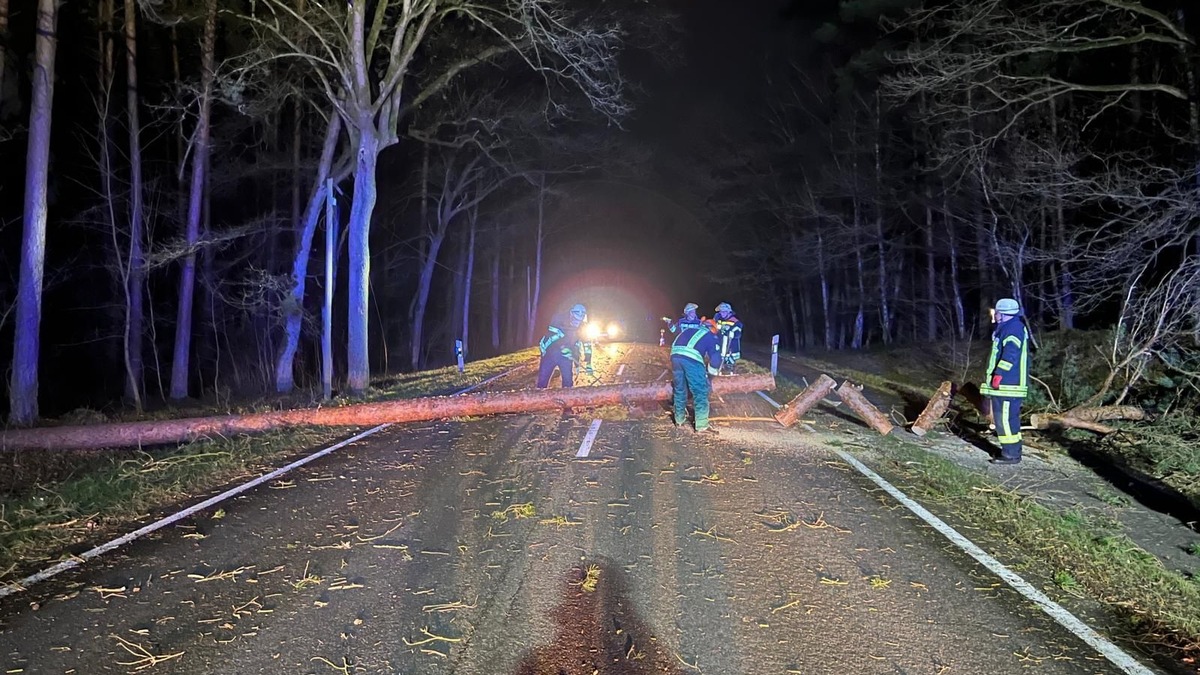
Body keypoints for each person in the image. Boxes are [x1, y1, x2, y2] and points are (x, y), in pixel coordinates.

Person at [981, 297, 1030, 464]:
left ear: (1002, 313)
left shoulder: (1013, 328)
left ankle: (1011, 454)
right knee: (1006, 419)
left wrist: (999, 374)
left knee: (1005, 420)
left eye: (997, 312)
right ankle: (1012, 451)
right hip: (1008, 384)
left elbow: (1011, 354)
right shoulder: (1009, 327)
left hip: (1009, 384)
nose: (994, 314)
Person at [670, 318, 723, 434]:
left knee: (680, 389)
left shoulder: (688, 330)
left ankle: (679, 420)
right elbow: (715, 359)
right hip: (692, 359)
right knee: (700, 391)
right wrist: (710, 375)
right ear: (712, 328)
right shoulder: (709, 335)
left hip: (675, 356)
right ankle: (702, 425)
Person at [537, 304, 587, 389]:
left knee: (568, 382)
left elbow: (577, 346)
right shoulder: (558, 319)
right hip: (549, 353)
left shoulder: (581, 327)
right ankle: (538, 399)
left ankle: (567, 399)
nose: (577, 323)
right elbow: (552, 337)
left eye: (579, 320)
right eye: (575, 319)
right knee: (542, 381)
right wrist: (563, 348)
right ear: (571, 313)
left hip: (565, 357)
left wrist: (578, 364)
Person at [714, 302, 744, 372]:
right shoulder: (719, 320)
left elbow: (738, 332)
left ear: (729, 311)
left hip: (731, 349)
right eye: (721, 312)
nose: (722, 313)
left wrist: (732, 332)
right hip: (721, 349)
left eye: (724, 311)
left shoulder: (735, 321)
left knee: (732, 368)